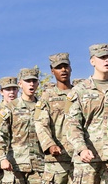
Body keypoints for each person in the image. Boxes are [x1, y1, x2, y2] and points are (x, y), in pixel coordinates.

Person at [65, 43, 108, 184]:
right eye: (102, 57)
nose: (107, 60)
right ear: (92, 61)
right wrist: (81, 148)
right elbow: (72, 125)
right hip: (88, 158)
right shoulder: (79, 91)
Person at [0, 68, 45, 184]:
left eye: (34, 81)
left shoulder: (43, 107)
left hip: (39, 167)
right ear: (20, 84)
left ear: (38, 83)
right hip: (15, 167)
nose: (31, 84)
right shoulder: (10, 108)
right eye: (27, 81)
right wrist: (2, 159)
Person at [34, 53, 74, 183]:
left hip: (80, 157)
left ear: (70, 68)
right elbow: (41, 124)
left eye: (65, 66)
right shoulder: (47, 97)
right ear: (52, 71)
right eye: (58, 67)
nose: (63, 70)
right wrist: (50, 145)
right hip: (57, 160)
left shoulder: (80, 93)